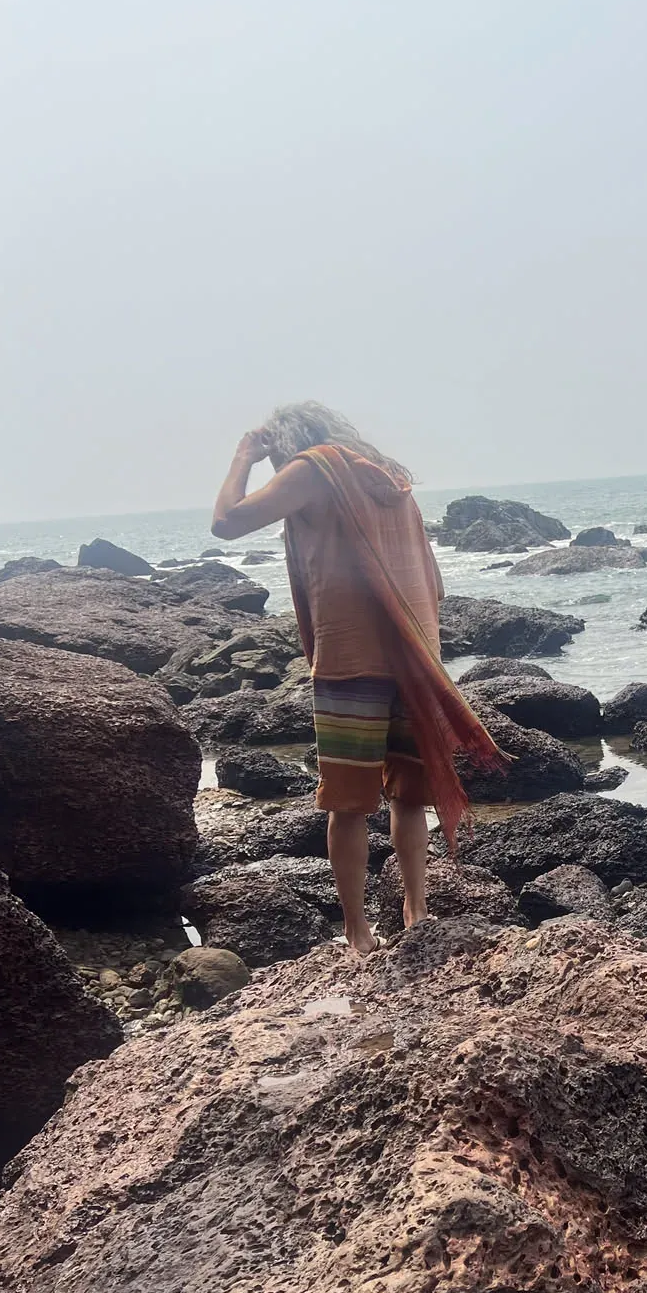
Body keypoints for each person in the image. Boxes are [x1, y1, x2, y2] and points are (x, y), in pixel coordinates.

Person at [211, 402, 505, 954]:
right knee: (409, 796)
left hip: (350, 656)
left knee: (347, 802)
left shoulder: (314, 468)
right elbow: (434, 580)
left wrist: (243, 457)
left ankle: (357, 932)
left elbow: (226, 522)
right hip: (414, 652)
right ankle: (416, 911)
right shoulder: (390, 479)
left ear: (289, 443)